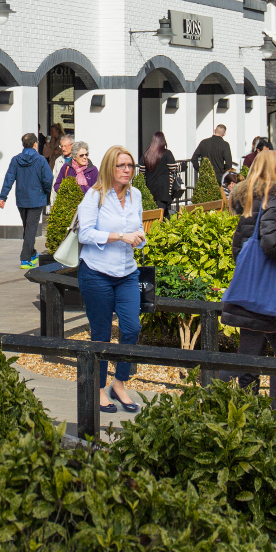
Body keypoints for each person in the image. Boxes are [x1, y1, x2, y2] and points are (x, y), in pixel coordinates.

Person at [221, 149, 276, 421]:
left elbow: (238, 247)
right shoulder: (273, 198)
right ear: (273, 170)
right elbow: (270, 243)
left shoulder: (247, 199)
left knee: (249, 348)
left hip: (250, 286)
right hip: (270, 288)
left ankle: (247, 408)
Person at [75, 145, 148, 413]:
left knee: (131, 328)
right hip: (96, 273)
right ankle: (97, 387)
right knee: (102, 335)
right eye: (121, 166)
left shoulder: (136, 195)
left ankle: (119, 383)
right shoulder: (95, 196)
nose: (127, 170)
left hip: (127, 271)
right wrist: (118, 236)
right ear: (110, 168)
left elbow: (138, 228)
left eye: (130, 166)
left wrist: (140, 238)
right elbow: (85, 235)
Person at [0, 131, 54, 270]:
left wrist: (3, 196)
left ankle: (32, 252)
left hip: (21, 199)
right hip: (36, 199)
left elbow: (9, 178)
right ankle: (25, 259)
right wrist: (46, 192)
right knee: (30, 229)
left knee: (27, 228)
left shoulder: (15, 160)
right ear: (35, 144)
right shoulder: (41, 160)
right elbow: (48, 179)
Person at [142, 131, 177, 217]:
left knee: (156, 213)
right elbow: (173, 168)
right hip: (163, 189)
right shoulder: (166, 153)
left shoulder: (146, 154)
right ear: (163, 141)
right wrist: (182, 167)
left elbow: (142, 171)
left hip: (150, 187)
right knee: (163, 214)